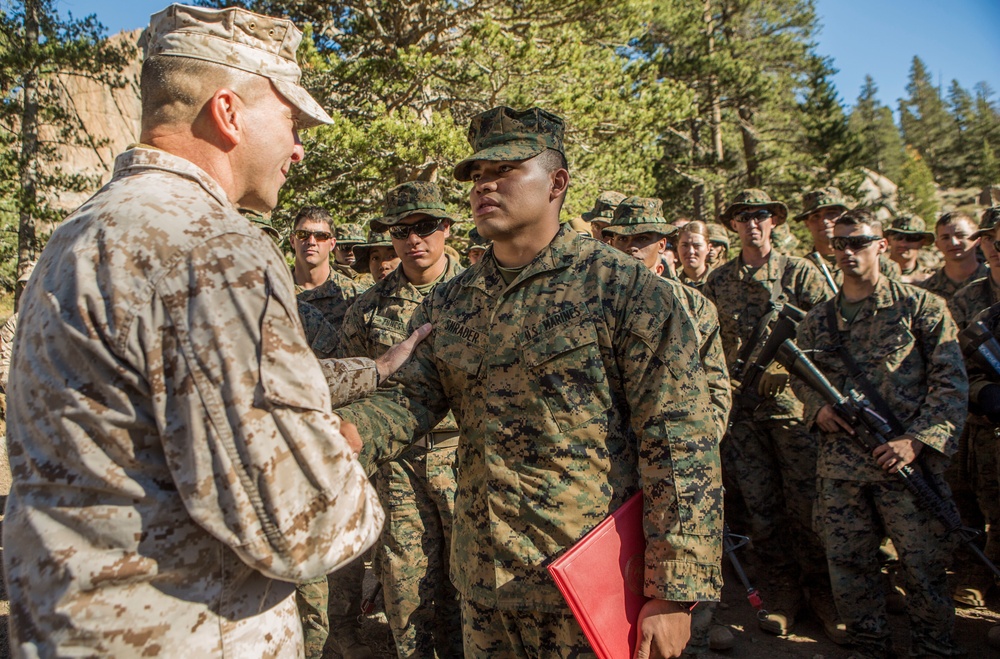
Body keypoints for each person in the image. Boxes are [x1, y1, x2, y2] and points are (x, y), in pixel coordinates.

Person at [1, 5, 401, 655]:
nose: (298, 146)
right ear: (228, 112)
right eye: (291, 119)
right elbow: (299, 520)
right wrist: (351, 459)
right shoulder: (207, 247)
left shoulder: (75, 236)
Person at [336, 106, 723, 658]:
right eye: (475, 175)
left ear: (557, 183)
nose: (484, 185)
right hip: (484, 580)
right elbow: (411, 397)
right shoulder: (454, 299)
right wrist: (345, 433)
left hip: (586, 581)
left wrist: (674, 592)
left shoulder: (626, 289)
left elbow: (681, 440)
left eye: (505, 169)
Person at [791, 208, 967, 659]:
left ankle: (934, 648)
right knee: (849, 566)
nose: (850, 252)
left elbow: (950, 383)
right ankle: (869, 645)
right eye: (842, 244)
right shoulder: (818, 321)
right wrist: (817, 409)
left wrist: (917, 442)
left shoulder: (921, 307)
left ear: (881, 246)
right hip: (841, 468)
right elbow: (799, 380)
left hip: (902, 466)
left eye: (860, 242)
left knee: (923, 568)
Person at [702, 189, 840, 641]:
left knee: (806, 506)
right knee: (762, 510)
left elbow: (829, 335)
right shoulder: (718, 281)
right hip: (742, 414)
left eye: (760, 216)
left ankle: (823, 596)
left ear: (775, 221)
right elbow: (704, 341)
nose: (752, 224)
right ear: (734, 226)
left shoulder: (800, 273)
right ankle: (780, 595)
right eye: (743, 218)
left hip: (793, 412)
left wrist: (785, 370)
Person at [338, 181, 465, 658]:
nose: (415, 239)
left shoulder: (477, 295)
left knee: (470, 585)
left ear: (446, 228)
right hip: (398, 467)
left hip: (462, 460)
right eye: (401, 230)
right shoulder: (367, 309)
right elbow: (355, 394)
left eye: (426, 226)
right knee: (406, 587)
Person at [945, 205, 1000, 609]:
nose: (997, 245)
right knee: (973, 500)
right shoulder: (968, 300)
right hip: (976, 421)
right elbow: (950, 363)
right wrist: (980, 390)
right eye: (991, 237)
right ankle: (979, 572)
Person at [794, 186, 901, 294]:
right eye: (816, 216)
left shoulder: (882, 265)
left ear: (844, 215)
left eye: (831, 214)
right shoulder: (801, 269)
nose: (825, 221)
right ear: (807, 223)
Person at [291, 205, 368, 328]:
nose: (311, 241)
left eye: (321, 236)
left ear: (332, 244)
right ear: (292, 241)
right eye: (302, 234)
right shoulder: (273, 289)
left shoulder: (353, 296)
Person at [601, 196, 679, 275]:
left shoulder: (672, 287)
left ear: (661, 245)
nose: (631, 247)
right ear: (612, 244)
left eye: (643, 238)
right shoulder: (595, 285)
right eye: (623, 239)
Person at [920, 211, 988, 300]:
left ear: (977, 240)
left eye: (960, 235)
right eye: (945, 238)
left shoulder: (994, 281)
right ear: (937, 245)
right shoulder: (925, 291)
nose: (953, 242)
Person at [885, 215, 934, 284]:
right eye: (898, 237)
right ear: (889, 239)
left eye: (911, 238)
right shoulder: (876, 270)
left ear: (922, 242)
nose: (903, 244)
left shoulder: (928, 278)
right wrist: (909, 279)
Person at [676, 221, 714, 288]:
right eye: (685, 245)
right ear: (677, 247)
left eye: (697, 246)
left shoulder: (722, 281)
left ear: (708, 248)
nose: (691, 251)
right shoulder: (672, 284)